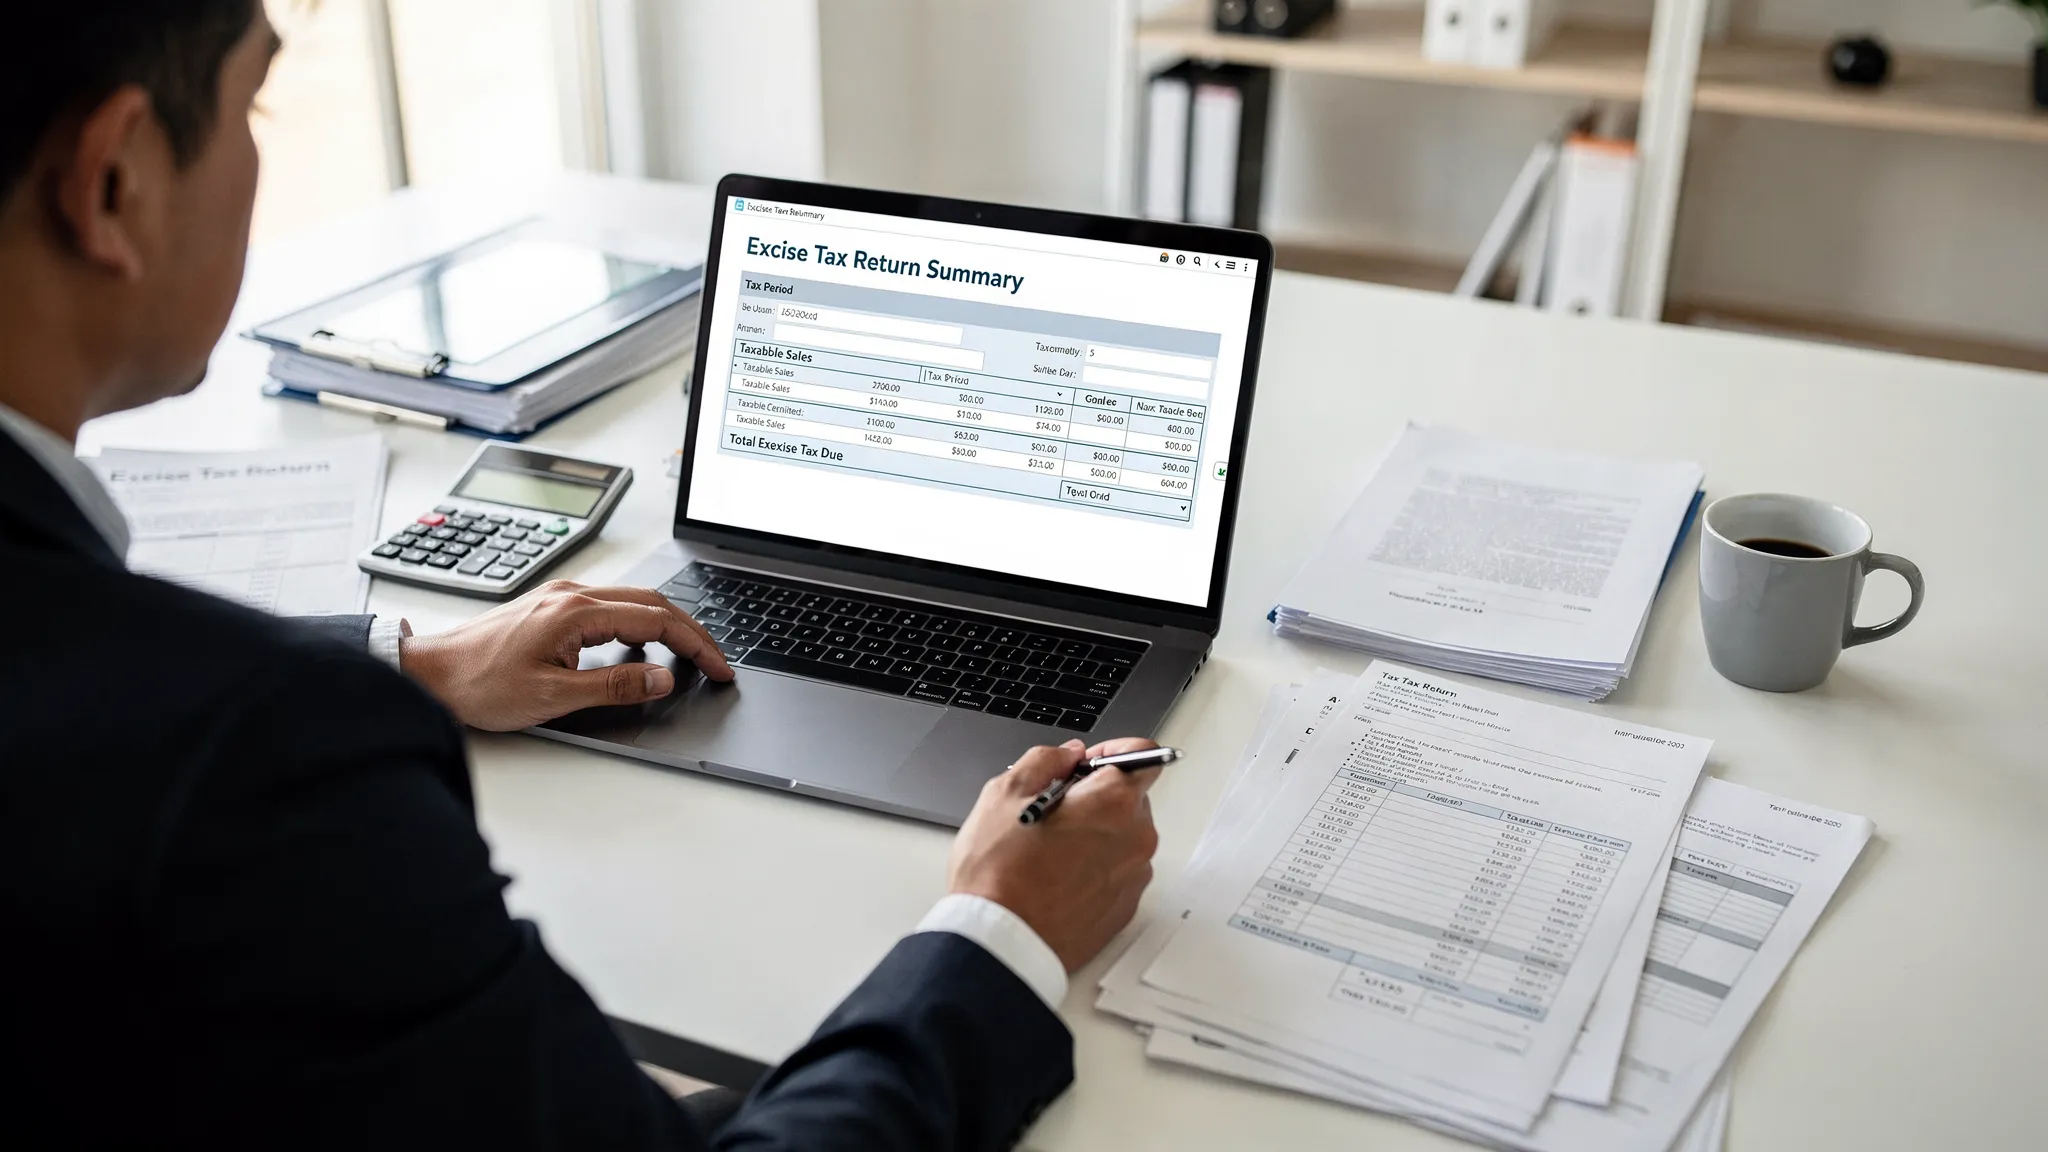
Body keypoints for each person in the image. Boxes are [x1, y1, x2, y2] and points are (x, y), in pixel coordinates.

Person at [0, 4, 1162, 1147]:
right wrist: (999, 931)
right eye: (253, 99)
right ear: (111, 184)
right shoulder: (264, 766)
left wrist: (412, 659)